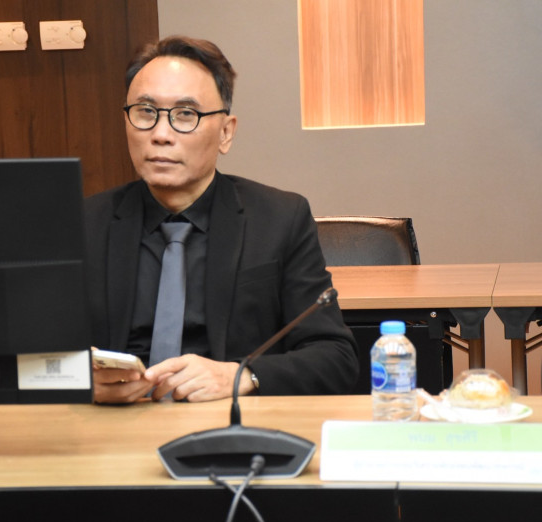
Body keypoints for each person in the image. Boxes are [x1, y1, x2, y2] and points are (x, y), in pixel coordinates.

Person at [84, 35, 358, 404]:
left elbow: (335, 357)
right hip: (113, 426)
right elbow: (32, 358)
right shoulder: (85, 224)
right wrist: (81, 382)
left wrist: (242, 375)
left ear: (226, 132)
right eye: (146, 112)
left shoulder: (279, 219)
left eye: (185, 114)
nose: (160, 134)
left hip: (228, 420)